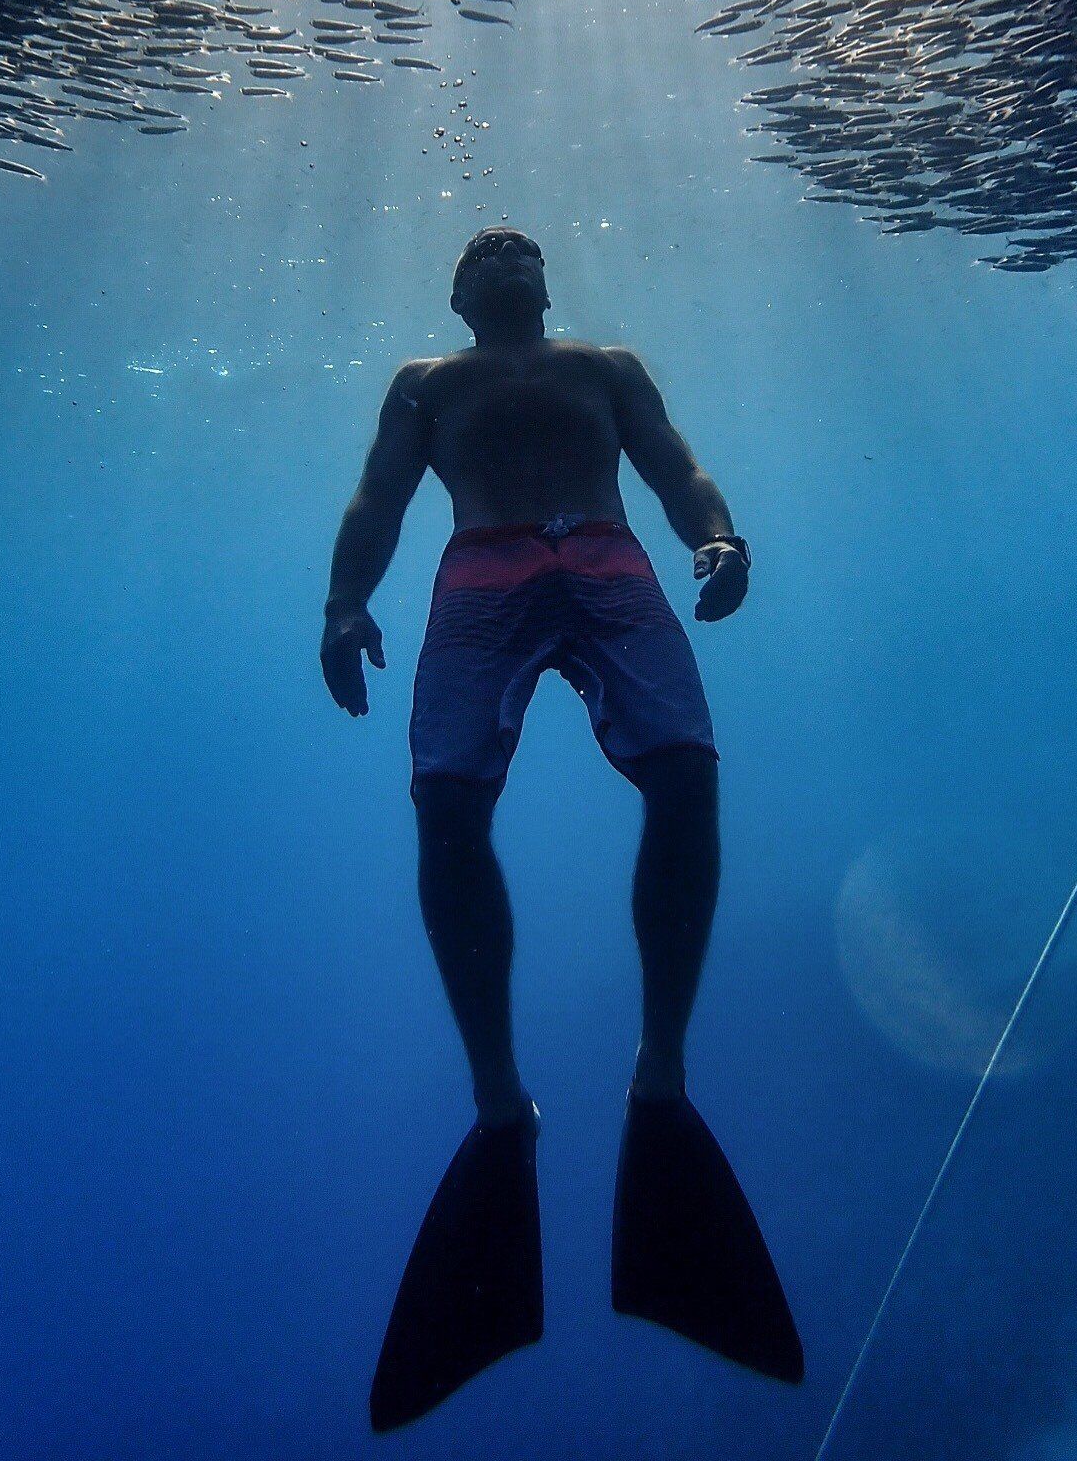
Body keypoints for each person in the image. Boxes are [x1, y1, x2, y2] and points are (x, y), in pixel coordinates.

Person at [321, 228, 802, 1431]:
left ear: (543, 283)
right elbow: (378, 497)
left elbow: (675, 466)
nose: (502, 252)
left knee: (686, 774)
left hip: (605, 553)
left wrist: (720, 534)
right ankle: (500, 1099)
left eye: (519, 249)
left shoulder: (608, 365)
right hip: (479, 567)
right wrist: (342, 602)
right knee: (444, 806)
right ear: (457, 294)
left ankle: (662, 1070)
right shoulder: (426, 383)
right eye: (483, 252)